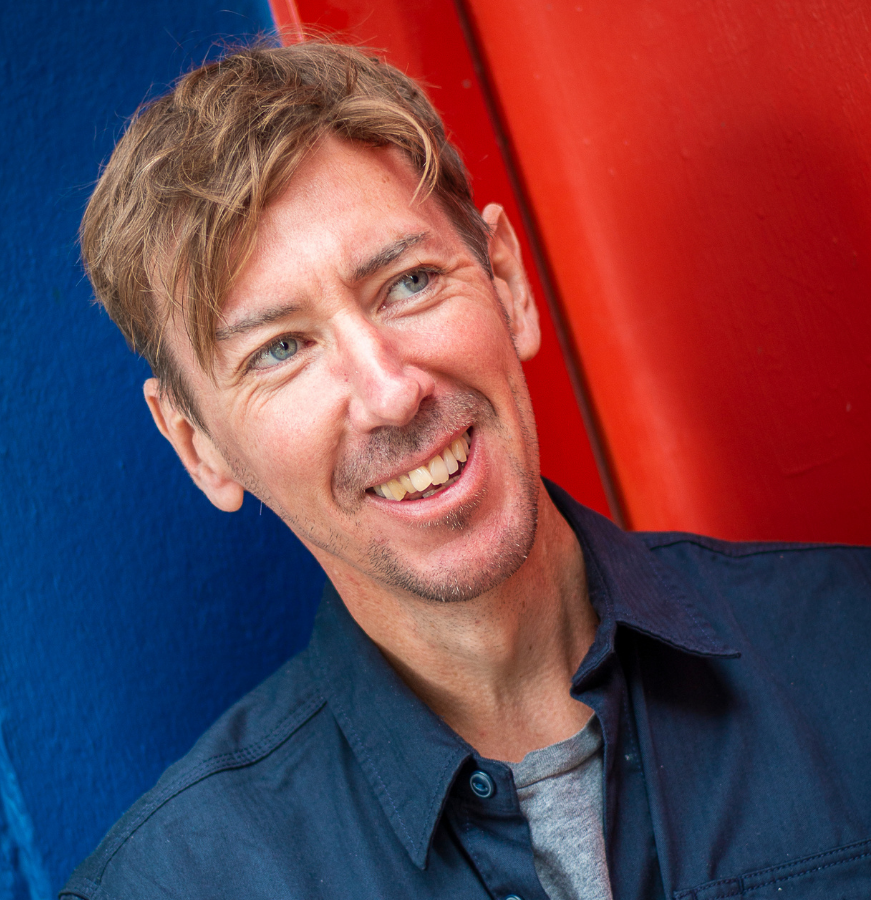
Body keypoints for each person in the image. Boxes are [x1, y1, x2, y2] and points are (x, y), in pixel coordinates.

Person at [61, 39, 871, 900]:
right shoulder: (168, 884)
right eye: (282, 350)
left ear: (508, 282)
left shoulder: (849, 654)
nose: (390, 393)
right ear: (200, 449)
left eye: (408, 283)